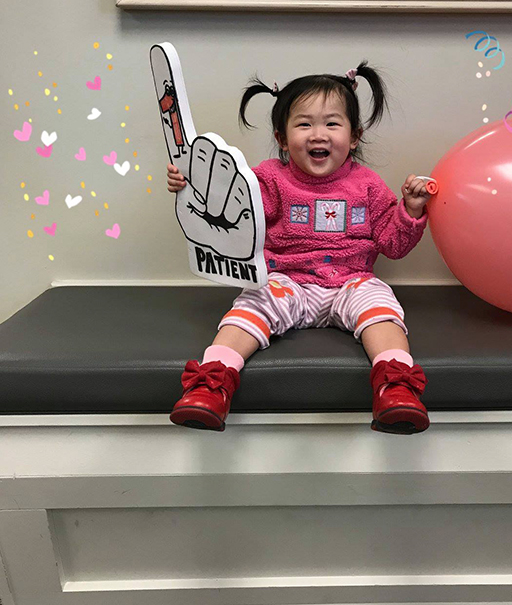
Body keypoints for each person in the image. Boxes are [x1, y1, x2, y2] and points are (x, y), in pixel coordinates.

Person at [166, 63, 433, 434]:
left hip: (351, 282)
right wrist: (192, 183)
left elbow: (393, 242)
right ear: (281, 136)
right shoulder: (269, 179)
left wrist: (411, 209)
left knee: (382, 309)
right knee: (250, 306)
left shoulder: (368, 185)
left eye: (332, 124)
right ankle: (212, 384)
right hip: (285, 280)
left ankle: (396, 387)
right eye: (304, 124)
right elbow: (232, 207)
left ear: (354, 136)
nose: (317, 134)